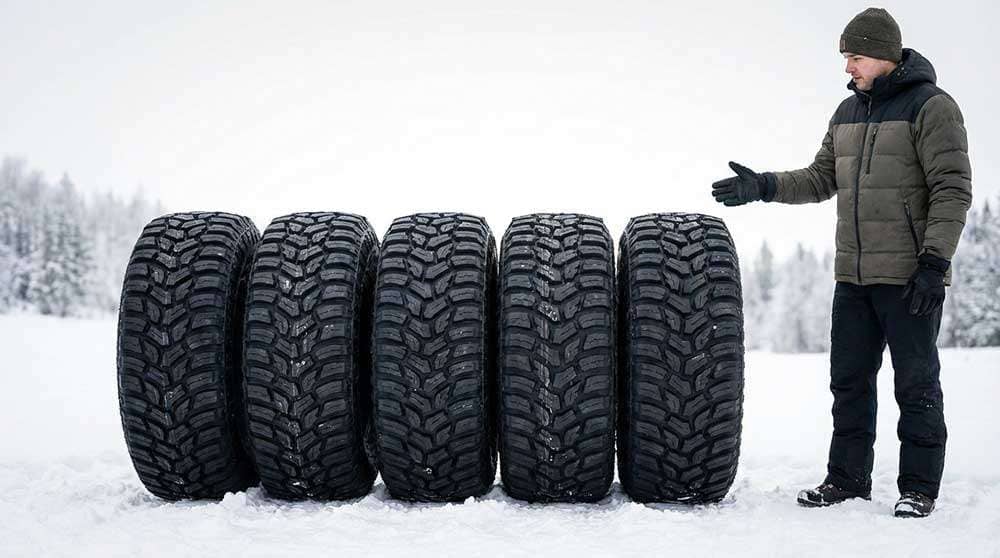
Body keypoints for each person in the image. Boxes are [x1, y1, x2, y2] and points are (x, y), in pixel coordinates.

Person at [711, 7, 972, 518]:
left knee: (915, 384)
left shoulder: (932, 107)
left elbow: (952, 189)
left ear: (882, 54)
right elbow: (819, 179)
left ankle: (919, 488)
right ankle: (847, 481)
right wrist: (762, 185)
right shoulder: (847, 113)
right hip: (852, 278)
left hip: (908, 278)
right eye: (846, 57)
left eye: (854, 56)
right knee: (848, 384)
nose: (847, 67)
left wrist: (934, 263)